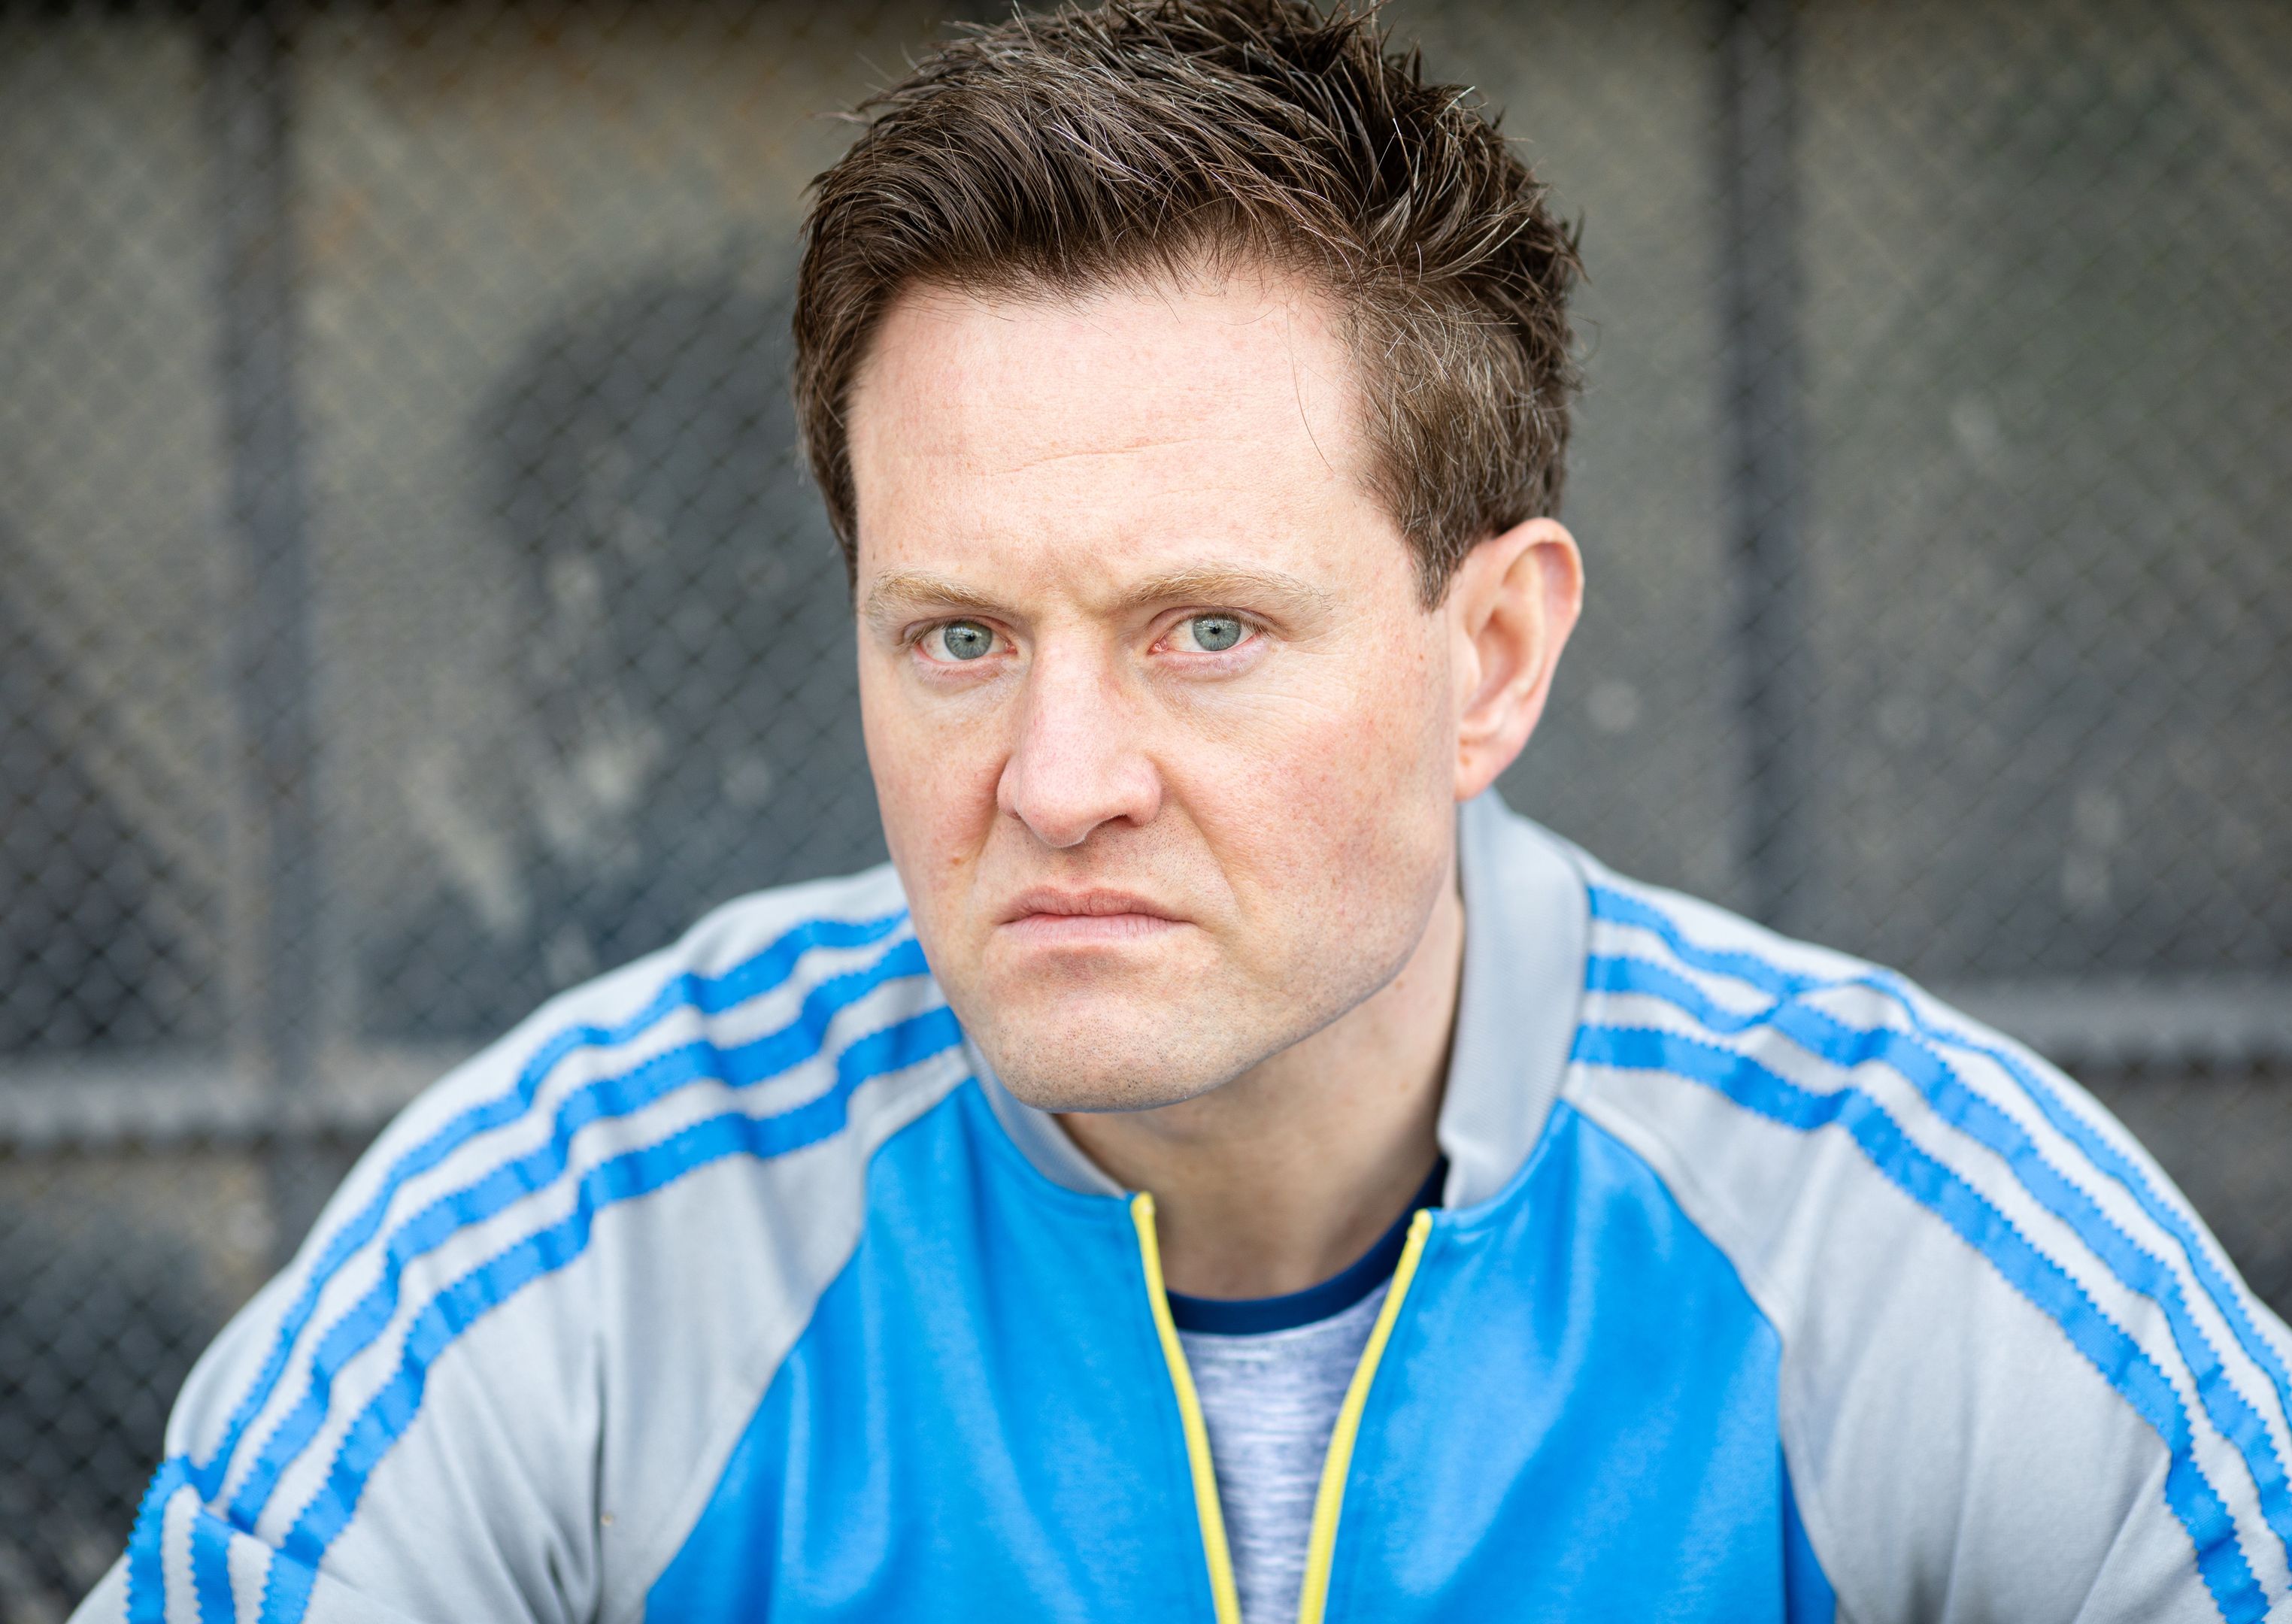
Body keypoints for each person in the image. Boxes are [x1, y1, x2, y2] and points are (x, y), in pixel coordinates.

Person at [76, 3, 2292, 1621]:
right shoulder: (577, 1251)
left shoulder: (1920, 1264)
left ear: (1492, 656)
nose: (1056, 784)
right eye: (959, 636)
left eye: (1205, 631)